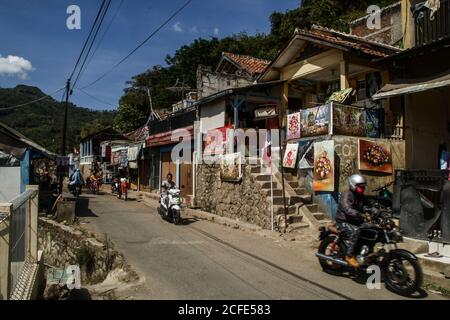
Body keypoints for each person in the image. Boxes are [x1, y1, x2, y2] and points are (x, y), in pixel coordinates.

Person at [336, 174, 372, 268]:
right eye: (360, 187)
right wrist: (360, 214)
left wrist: (379, 212)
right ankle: (349, 255)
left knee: (371, 228)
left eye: (363, 187)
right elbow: (347, 209)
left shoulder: (361, 196)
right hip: (343, 222)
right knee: (356, 231)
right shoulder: (346, 195)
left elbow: (369, 206)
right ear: (353, 185)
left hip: (355, 221)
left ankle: (365, 252)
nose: (362, 189)